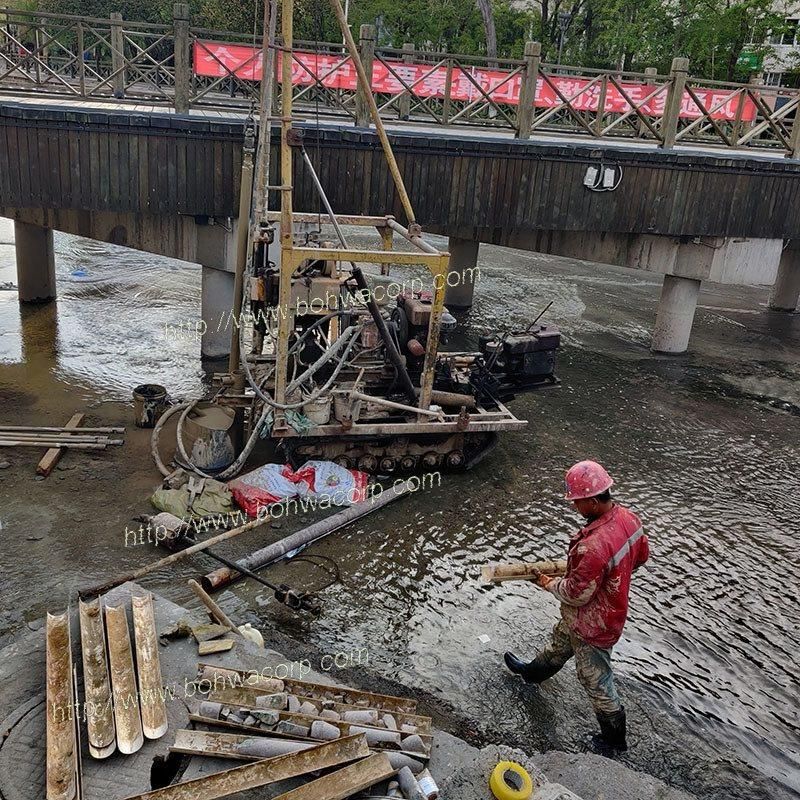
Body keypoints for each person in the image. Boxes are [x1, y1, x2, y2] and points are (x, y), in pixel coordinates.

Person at [504, 460, 649, 753]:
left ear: (594, 501)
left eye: (578, 502)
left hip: (594, 622)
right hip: (597, 610)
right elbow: (641, 557)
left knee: (595, 679)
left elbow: (574, 594)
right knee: (558, 645)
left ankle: (613, 740)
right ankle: (530, 675)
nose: (575, 507)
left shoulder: (592, 546)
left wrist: (546, 583)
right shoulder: (629, 519)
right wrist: (610, 575)